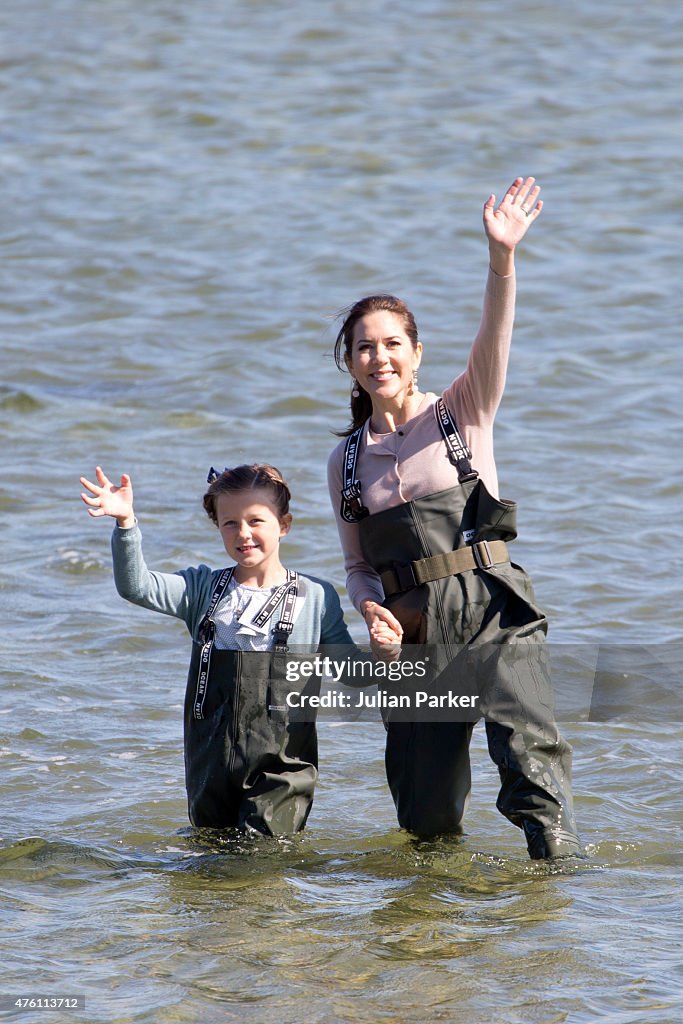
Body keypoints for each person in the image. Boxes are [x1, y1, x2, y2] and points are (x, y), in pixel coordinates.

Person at [326, 177, 580, 859]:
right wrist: (370, 611)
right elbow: (356, 565)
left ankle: (554, 916)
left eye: (390, 344)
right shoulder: (346, 460)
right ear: (349, 364)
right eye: (363, 348)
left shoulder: (462, 410)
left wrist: (501, 258)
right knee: (425, 811)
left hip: (495, 607)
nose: (378, 357)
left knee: (532, 770)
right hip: (412, 629)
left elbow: (495, 330)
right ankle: (430, 942)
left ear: (414, 352)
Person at [80, 463, 399, 836]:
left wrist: (385, 653)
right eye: (229, 523)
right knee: (211, 860)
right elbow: (137, 586)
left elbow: (353, 675)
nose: (243, 533)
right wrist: (126, 523)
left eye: (255, 521)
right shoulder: (202, 589)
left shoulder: (315, 598)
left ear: (284, 525)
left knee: (262, 860)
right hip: (209, 763)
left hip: (282, 770)